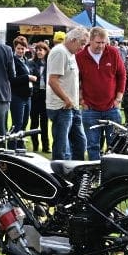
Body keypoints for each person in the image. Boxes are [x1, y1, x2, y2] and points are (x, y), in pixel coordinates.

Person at [76, 27, 126, 160]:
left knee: (114, 145)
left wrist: (118, 98)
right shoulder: (80, 56)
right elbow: (76, 80)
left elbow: (122, 75)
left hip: (111, 108)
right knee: (92, 146)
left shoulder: (113, 52)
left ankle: (113, 176)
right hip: (90, 109)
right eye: (98, 42)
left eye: (104, 42)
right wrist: (81, 100)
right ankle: (95, 174)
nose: (101, 46)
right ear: (90, 40)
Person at [48, 27, 89, 160]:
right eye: (82, 43)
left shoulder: (70, 54)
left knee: (80, 143)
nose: (83, 47)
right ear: (72, 40)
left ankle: (77, 173)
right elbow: (52, 80)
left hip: (72, 106)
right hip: (62, 107)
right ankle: (59, 176)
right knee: (62, 148)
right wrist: (66, 99)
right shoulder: (60, 52)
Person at [9, 35, 36, 149]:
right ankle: (12, 147)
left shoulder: (26, 60)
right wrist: (28, 77)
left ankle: (20, 147)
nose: (21, 50)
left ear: (26, 49)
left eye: (23, 48)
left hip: (27, 96)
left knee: (24, 123)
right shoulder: (12, 61)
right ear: (15, 48)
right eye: (18, 48)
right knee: (17, 124)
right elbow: (12, 80)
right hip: (17, 97)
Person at [29, 41, 50, 152]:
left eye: (41, 50)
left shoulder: (49, 63)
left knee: (44, 122)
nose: (38, 52)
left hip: (45, 95)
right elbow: (30, 74)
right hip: (35, 95)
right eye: (37, 50)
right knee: (34, 122)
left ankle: (46, 146)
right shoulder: (31, 63)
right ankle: (35, 146)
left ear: (46, 51)